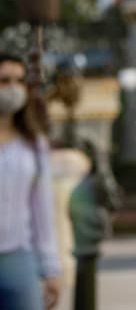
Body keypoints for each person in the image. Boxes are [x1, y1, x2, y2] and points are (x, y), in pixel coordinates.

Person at [0, 54, 60, 310]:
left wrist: (50, 268)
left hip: (19, 258)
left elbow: (42, 210)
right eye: (4, 80)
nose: (13, 88)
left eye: (19, 81)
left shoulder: (33, 145)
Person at [64, 141, 117, 310]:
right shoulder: (89, 182)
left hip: (86, 226)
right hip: (84, 228)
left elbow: (110, 196)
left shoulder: (93, 181)